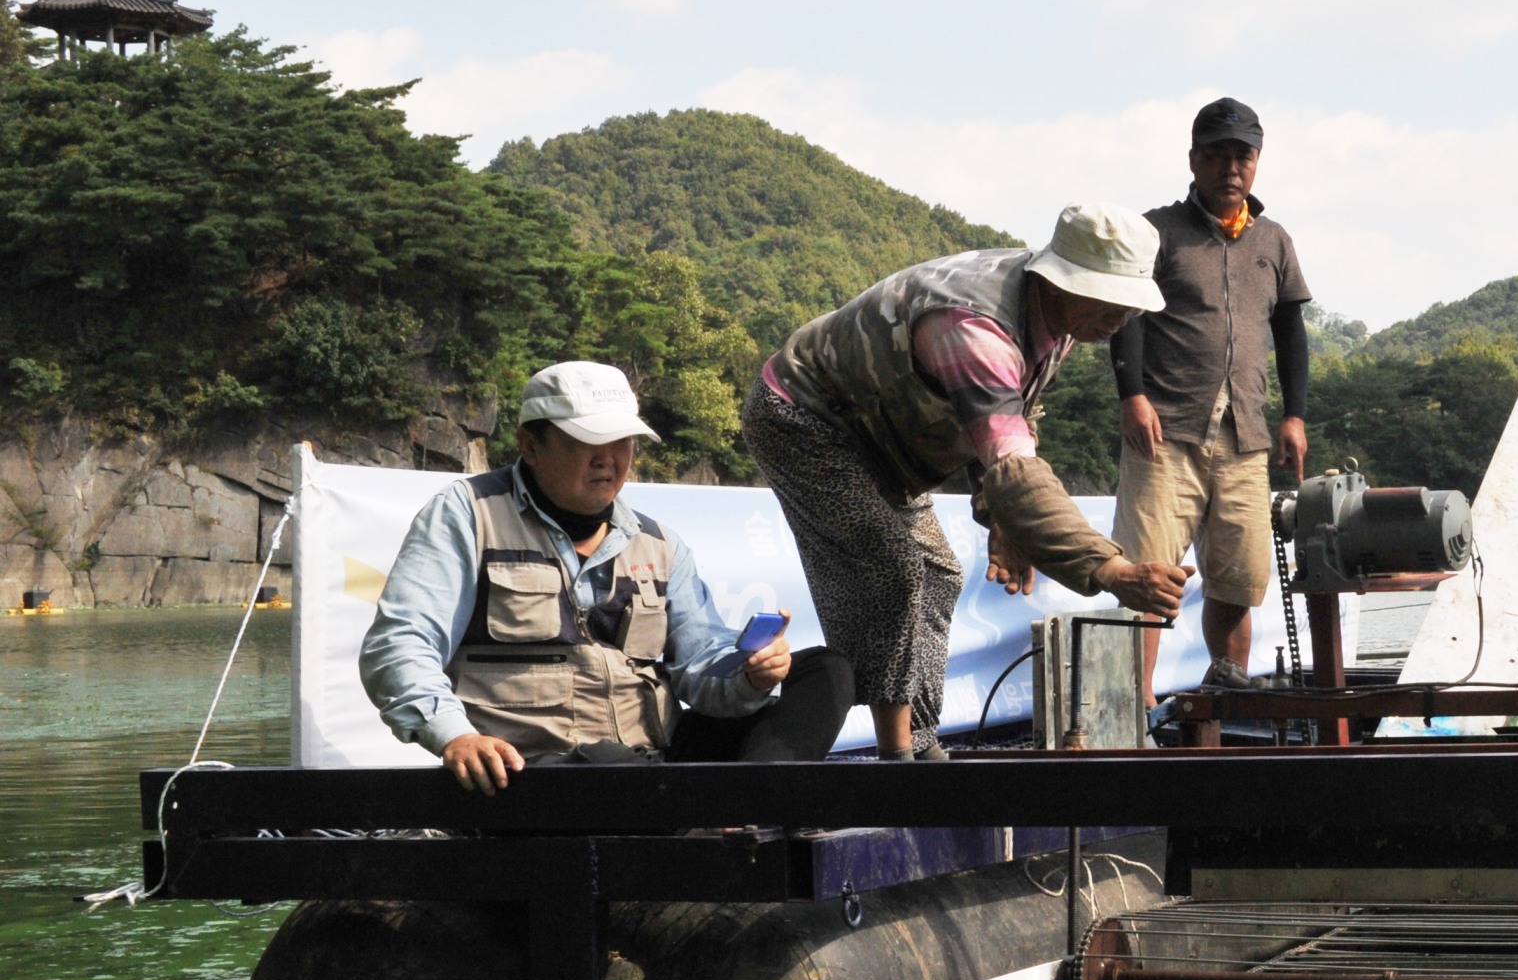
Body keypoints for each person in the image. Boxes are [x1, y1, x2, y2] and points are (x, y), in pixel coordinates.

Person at [744, 204, 1191, 759]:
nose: (1120, 319)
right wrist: (1110, 568)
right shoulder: (973, 325)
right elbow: (1014, 464)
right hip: (805, 417)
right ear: (1061, 280)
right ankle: (897, 755)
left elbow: (1010, 419)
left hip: (884, 437)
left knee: (940, 573)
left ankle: (922, 741)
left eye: (1128, 305)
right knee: (893, 569)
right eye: (1109, 301)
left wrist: (1007, 520)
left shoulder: (1060, 317)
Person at [362, 362, 855, 794]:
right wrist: (456, 736)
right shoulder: (467, 515)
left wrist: (749, 673)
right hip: (529, 772)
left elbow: (702, 662)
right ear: (530, 444)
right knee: (609, 767)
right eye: (587, 440)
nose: (610, 457)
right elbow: (401, 644)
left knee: (826, 670)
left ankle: (747, 805)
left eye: (622, 441)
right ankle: (714, 808)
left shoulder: (659, 542)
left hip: (653, 762)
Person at [1108, 97, 1314, 688]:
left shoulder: (1274, 240)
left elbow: (1290, 330)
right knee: (1147, 574)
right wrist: (1132, 395)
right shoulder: (1158, 230)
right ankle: (1137, 713)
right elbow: (1128, 317)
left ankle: (1229, 706)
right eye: (1218, 155)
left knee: (1239, 578)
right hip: (1163, 433)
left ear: (1256, 163)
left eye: (1242, 156)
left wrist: (1295, 416)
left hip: (1244, 436)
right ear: (1194, 160)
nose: (1231, 168)